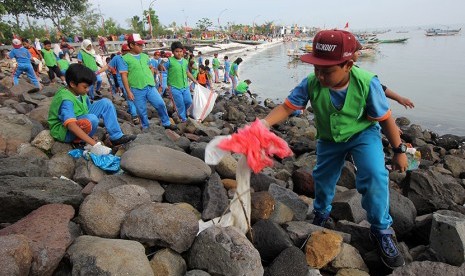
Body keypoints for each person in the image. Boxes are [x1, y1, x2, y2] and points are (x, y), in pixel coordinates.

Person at [262, 30, 406, 269]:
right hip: (329, 138)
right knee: (323, 177)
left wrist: (399, 150)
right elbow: (287, 107)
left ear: (348, 64)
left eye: (327, 70)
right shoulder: (311, 82)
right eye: (316, 68)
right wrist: (263, 124)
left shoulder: (368, 83)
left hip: (363, 134)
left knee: (374, 174)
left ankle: (381, 230)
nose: (319, 75)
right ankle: (321, 212)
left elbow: (386, 119)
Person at [47, 63, 136, 153]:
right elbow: (71, 125)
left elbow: (88, 109)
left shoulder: (80, 93)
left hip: (80, 118)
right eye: (85, 87)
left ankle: (116, 137)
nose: (88, 90)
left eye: (89, 87)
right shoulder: (66, 100)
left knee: (106, 103)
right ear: (73, 84)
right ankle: (78, 141)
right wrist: (94, 144)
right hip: (64, 131)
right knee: (91, 119)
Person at [120, 34, 177, 131]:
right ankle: (145, 127)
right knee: (141, 110)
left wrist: (151, 77)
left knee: (160, 104)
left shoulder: (145, 56)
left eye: (142, 45)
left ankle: (166, 122)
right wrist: (128, 91)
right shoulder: (125, 59)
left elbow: (151, 67)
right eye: (139, 45)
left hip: (150, 86)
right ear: (132, 45)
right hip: (136, 88)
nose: (142, 47)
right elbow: (124, 75)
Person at [96, 44, 139, 125]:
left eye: (128, 52)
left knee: (133, 98)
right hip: (123, 82)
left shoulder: (133, 57)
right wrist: (97, 72)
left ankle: (131, 111)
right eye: (125, 52)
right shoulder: (117, 58)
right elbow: (108, 67)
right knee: (130, 98)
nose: (126, 53)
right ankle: (134, 116)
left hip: (134, 82)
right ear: (122, 51)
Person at [163, 41, 198, 122]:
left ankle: (187, 114)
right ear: (173, 52)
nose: (179, 53)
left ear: (183, 51)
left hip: (185, 86)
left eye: (180, 51)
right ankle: (183, 118)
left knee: (189, 101)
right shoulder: (169, 61)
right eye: (176, 51)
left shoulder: (185, 61)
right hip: (174, 87)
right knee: (180, 104)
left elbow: (187, 72)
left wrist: (194, 80)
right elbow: (161, 68)